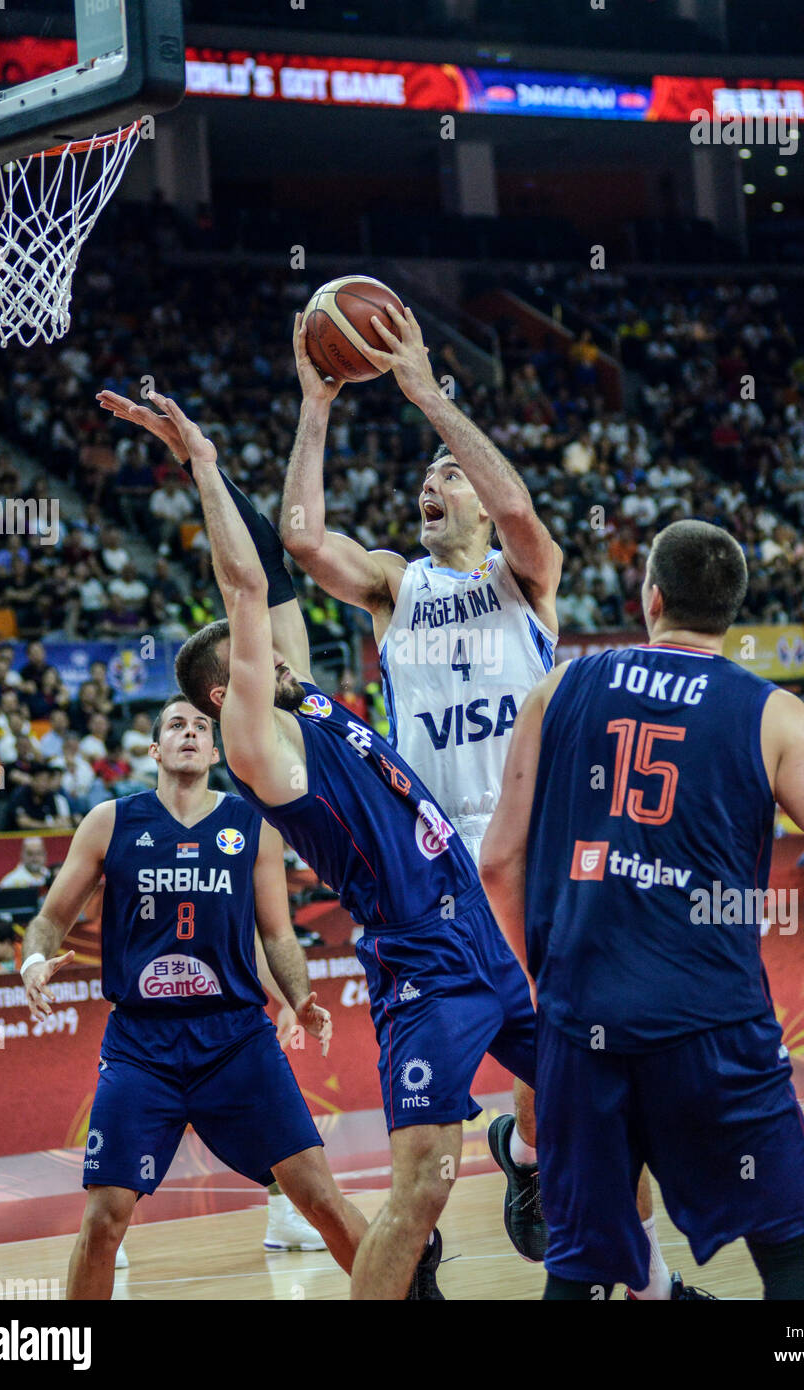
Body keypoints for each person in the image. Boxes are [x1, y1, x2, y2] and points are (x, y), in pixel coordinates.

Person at [97, 385, 539, 1301]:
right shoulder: (264, 745)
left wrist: (270, 421)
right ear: (230, 692)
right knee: (418, 1189)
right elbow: (249, 586)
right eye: (257, 654)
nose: (282, 649)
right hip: (421, 945)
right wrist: (206, 467)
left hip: (481, 920)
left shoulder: (304, 702)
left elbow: (281, 569)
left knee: (601, 1098)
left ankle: (590, 1242)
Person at [479, 519, 804, 1301]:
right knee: (788, 1247)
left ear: (651, 596)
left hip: (581, 1018)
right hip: (711, 1024)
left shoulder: (557, 690)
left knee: (579, 1263)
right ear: (729, 612)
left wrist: (539, 982)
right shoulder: (772, 714)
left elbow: (497, 861)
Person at [279, 304, 564, 1268]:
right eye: (423, 479)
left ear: (477, 503)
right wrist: (316, 403)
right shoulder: (399, 586)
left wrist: (428, 398)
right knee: (435, 1138)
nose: (428, 486)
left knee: (572, 1044)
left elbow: (522, 513)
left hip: (529, 843)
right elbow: (306, 542)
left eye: (446, 477)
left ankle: (525, 1153)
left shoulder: (523, 579)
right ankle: (428, 1227)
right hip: (434, 860)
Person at [21, 694, 371, 1300]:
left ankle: (411, 1295)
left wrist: (300, 996)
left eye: (201, 727)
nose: (190, 733)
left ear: (215, 750)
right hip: (141, 1045)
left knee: (319, 1196)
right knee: (105, 1218)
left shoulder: (250, 825)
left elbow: (277, 931)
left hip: (235, 1039)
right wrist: (31, 960)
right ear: (155, 749)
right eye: (176, 725)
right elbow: (50, 918)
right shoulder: (110, 821)